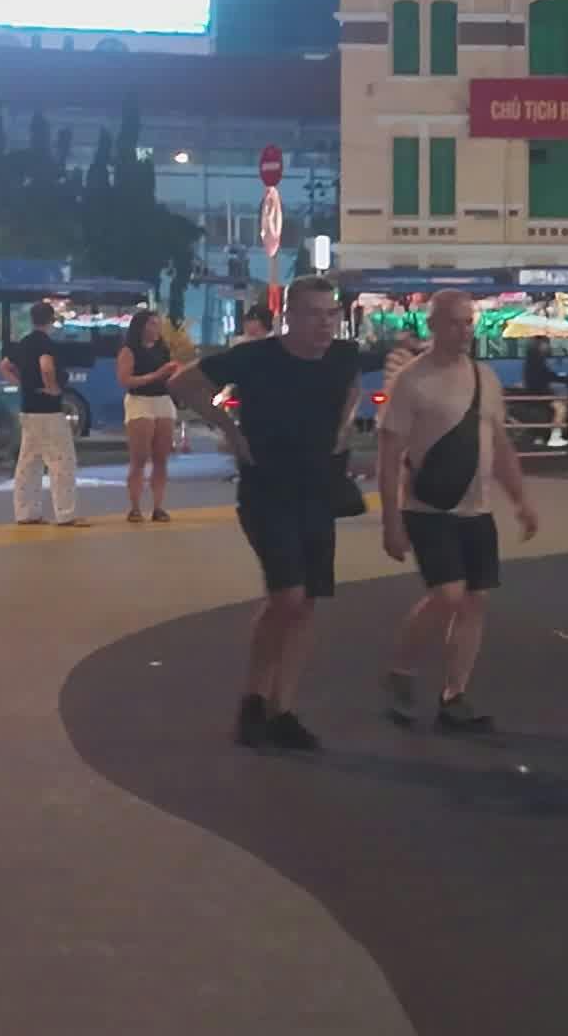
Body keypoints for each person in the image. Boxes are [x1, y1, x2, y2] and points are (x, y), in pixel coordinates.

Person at [169, 281, 368, 753]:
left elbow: (354, 384)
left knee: (308, 600)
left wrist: (344, 426)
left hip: (318, 488)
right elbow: (182, 382)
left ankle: (283, 708)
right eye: (314, 314)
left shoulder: (343, 357)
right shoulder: (256, 357)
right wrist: (229, 429)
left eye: (331, 314)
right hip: (266, 488)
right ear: (289, 317)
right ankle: (254, 700)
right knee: (287, 594)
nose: (325, 324)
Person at [375, 289, 541, 733]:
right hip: (428, 509)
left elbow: (499, 446)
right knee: (447, 595)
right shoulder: (412, 381)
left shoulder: (485, 377)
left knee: (476, 600)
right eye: (455, 321)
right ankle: (402, 670)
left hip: (476, 509)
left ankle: (455, 695)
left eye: (469, 322)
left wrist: (520, 500)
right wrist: (391, 521)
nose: (464, 330)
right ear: (433, 325)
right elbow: (389, 456)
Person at [3, 299, 84, 527]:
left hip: (28, 409)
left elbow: (4, 366)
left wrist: (22, 384)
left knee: (29, 462)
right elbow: (46, 366)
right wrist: (52, 388)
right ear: (51, 320)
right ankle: (65, 514)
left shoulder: (24, 343)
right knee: (62, 461)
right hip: (48, 411)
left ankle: (26, 512)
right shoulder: (46, 344)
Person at [115, 308, 181, 524]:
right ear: (141, 327)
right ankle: (135, 507)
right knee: (140, 457)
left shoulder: (163, 349)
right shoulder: (129, 350)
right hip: (140, 401)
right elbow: (125, 380)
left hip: (163, 400)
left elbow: (169, 378)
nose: (156, 328)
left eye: (158, 324)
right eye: (152, 324)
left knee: (161, 457)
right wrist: (156, 375)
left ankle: (158, 507)